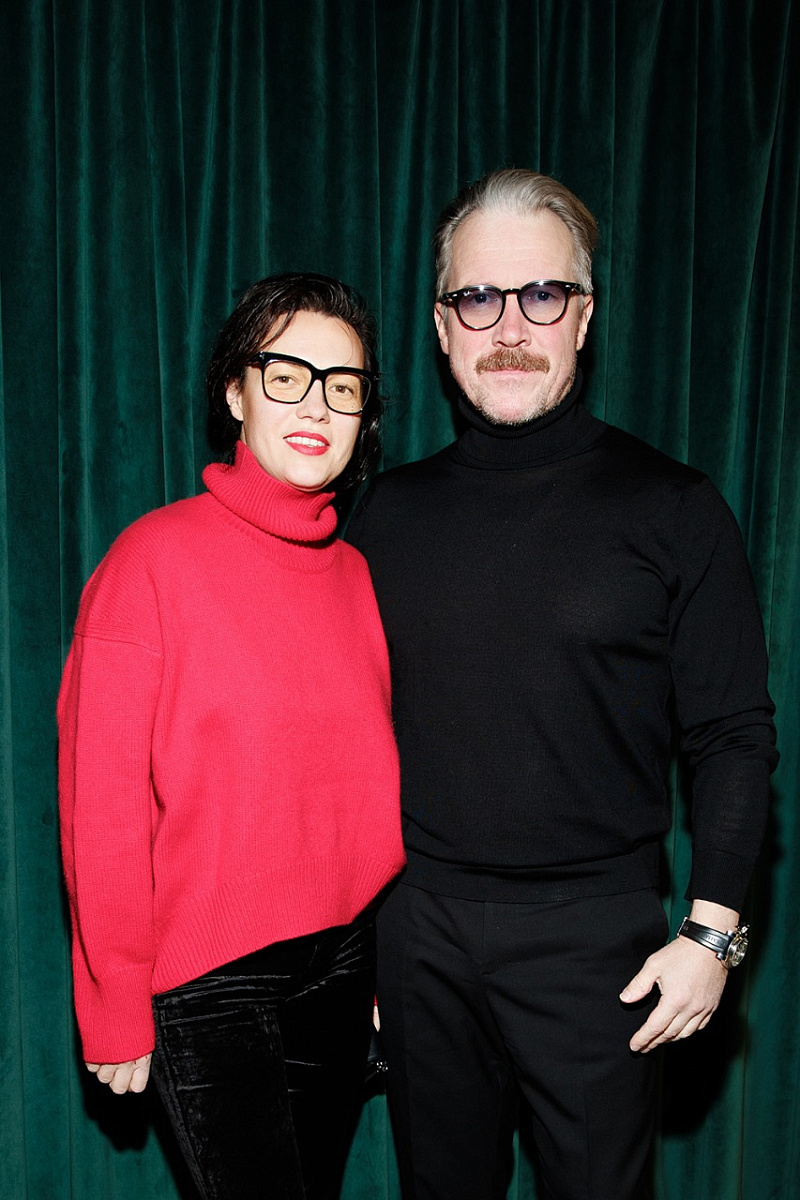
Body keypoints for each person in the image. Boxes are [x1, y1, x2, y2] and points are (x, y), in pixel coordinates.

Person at [346, 171, 778, 1200]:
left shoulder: (674, 509)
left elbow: (732, 735)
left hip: (597, 941)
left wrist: (710, 934)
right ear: (441, 327)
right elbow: (331, 740)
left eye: (540, 295)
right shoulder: (377, 518)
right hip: (415, 934)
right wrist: (354, 948)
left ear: (583, 317)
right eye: (476, 298)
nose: (509, 327)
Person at [58, 273, 405, 1200]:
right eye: (286, 374)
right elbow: (102, 806)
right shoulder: (149, 561)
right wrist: (114, 998)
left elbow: (361, 787)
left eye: (343, 385)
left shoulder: (358, 577)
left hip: (342, 966)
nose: (316, 406)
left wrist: (382, 965)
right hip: (211, 980)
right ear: (235, 392)